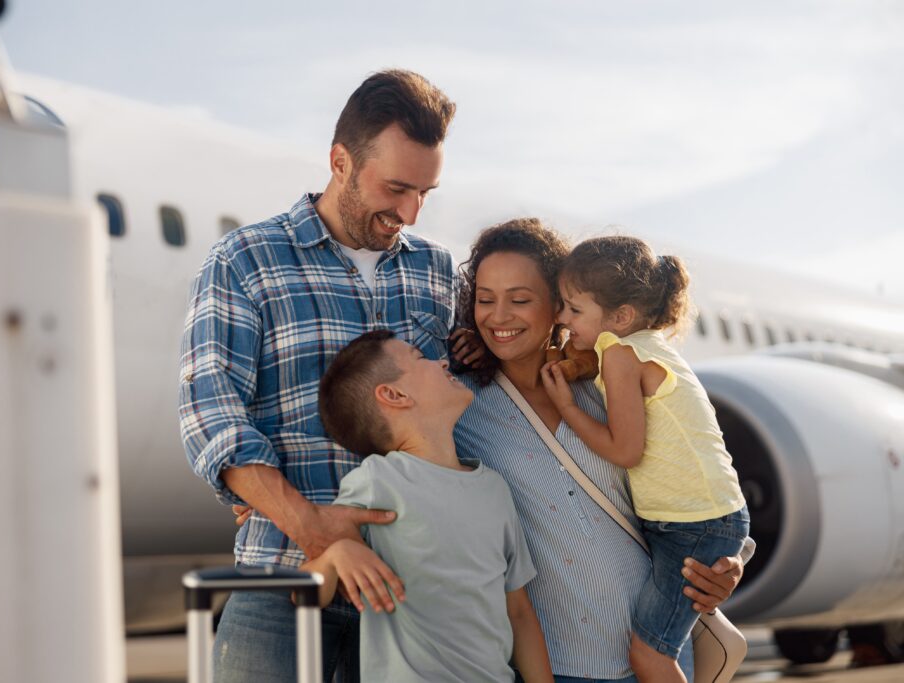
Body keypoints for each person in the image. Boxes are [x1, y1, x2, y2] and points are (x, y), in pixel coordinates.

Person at [178, 69, 468, 682]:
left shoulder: (438, 274)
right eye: (396, 188)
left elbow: (474, 413)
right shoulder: (246, 259)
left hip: (411, 596)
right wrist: (305, 522)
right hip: (280, 582)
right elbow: (211, 413)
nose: (410, 213)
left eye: (425, 192)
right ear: (340, 161)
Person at [451, 218, 754, 682]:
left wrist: (728, 565)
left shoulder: (608, 389)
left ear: (559, 306)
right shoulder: (462, 408)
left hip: (658, 659)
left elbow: (695, 485)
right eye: (485, 300)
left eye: (520, 299)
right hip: (558, 664)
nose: (498, 316)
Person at [541, 235, 749, 682]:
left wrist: (567, 408)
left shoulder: (620, 354)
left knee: (650, 655)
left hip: (693, 524)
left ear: (620, 317)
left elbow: (625, 449)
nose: (561, 319)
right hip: (703, 516)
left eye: (574, 310)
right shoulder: (643, 347)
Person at [303, 329, 553, 682]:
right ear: (394, 394)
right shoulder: (378, 481)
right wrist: (335, 555)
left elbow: (520, 612)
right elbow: (304, 593)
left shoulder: (494, 488)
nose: (442, 360)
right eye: (421, 358)